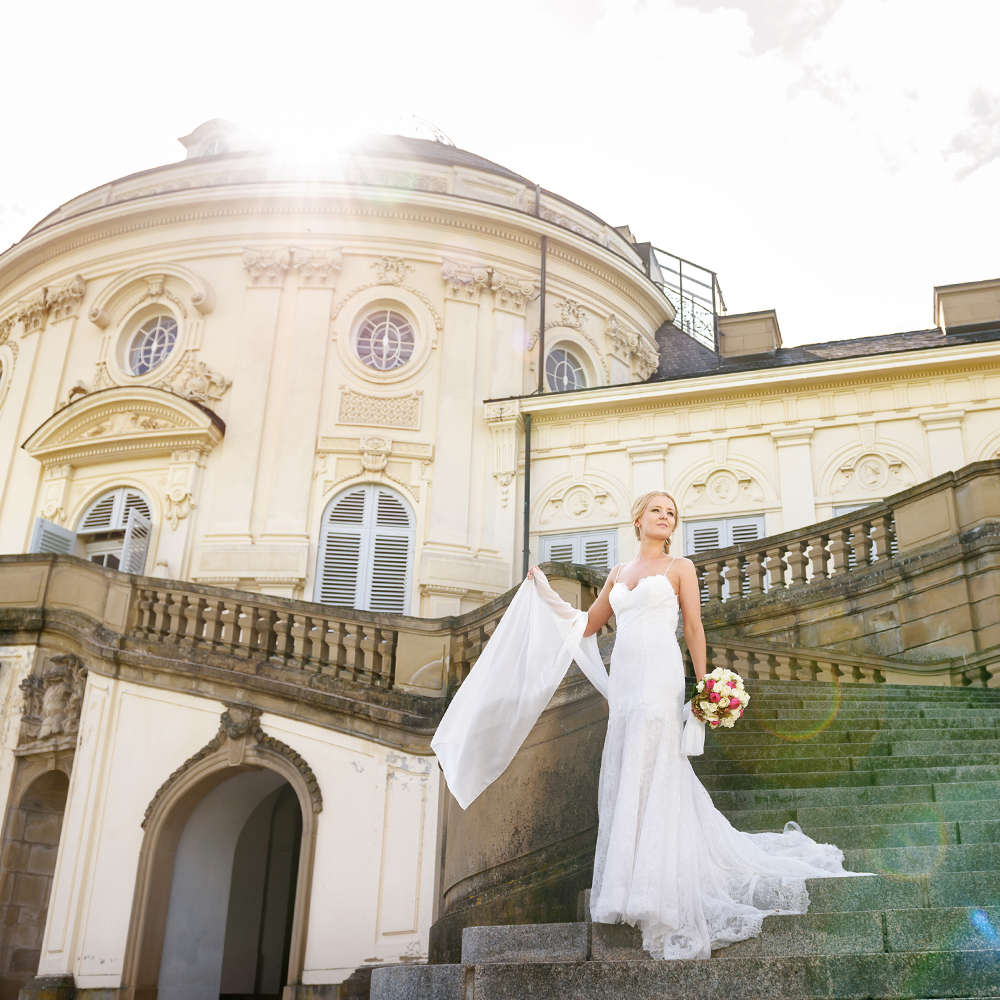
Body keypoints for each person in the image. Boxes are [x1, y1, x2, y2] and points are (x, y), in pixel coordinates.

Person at [432, 491, 867, 960]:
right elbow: (587, 626)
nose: (665, 517)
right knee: (628, 767)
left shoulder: (680, 568)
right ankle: (628, 886)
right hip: (626, 682)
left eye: (672, 513)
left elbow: (694, 628)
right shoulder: (618, 574)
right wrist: (546, 595)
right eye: (657, 510)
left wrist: (705, 686)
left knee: (658, 764)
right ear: (638, 519)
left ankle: (658, 885)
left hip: (659, 675)